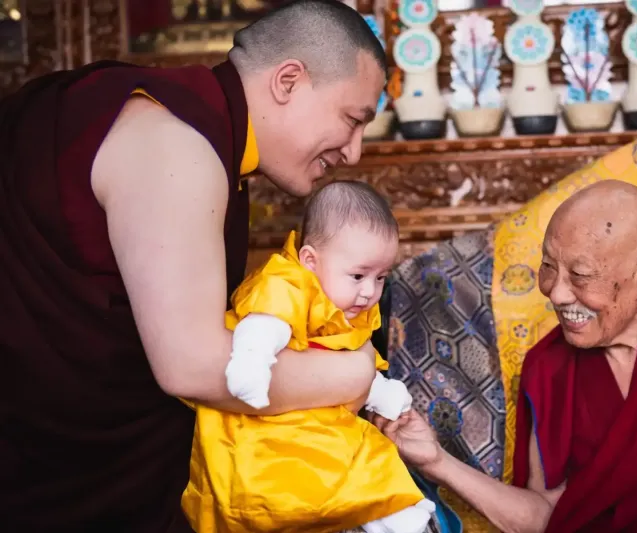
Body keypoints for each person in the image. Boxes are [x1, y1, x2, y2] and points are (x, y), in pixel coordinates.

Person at [0, 1, 386, 531]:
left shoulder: (202, 132)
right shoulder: (177, 142)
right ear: (289, 80)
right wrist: (355, 373)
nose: (355, 151)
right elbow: (194, 364)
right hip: (52, 477)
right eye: (352, 119)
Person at [372, 180, 637, 533]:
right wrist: (437, 462)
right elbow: (547, 519)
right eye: (548, 268)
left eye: (580, 275)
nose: (556, 293)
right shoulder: (549, 367)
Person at [184, 181, 434, 533]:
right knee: (300, 483)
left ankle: (400, 517)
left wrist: (380, 392)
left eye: (381, 278)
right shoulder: (286, 283)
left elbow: (349, 355)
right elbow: (263, 324)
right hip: (265, 427)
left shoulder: (346, 305)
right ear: (310, 261)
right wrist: (252, 361)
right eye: (359, 275)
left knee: (374, 464)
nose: (369, 292)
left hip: (322, 420)